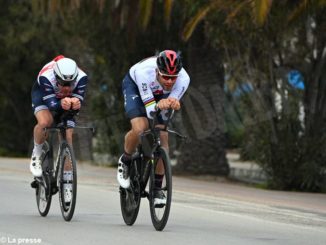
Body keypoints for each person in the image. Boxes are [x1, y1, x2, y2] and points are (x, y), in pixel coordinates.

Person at [117, 50, 190, 206]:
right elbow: (151, 110)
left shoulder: (184, 78)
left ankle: (157, 188)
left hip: (159, 95)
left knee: (163, 137)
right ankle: (126, 159)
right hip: (135, 88)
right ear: (157, 71)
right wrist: (159, 104)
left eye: (173, 78)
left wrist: (173, 101)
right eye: (165, 76)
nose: (170, 81)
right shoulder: (144, 72)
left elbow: (172, 99)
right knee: (140, 128)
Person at [30, 55, 88, 199]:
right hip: (43, 95)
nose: (68, 87)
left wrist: (76, 105)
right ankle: (36, 155)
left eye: (71, 83)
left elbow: (75, 109)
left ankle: (67, 184)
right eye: (63, 83)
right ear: (56, 78)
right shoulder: (46, 77)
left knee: (68, 137)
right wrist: (62, 103)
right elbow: (53, 107)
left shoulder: (82, 78)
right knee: (45, 122)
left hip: (63, 101)